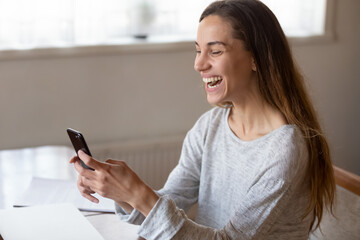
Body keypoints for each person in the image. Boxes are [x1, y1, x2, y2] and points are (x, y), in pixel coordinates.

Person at [70, 0, 335, 239]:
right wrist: (119, 191)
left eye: (215, 51)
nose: (199, 64)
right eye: (198, 50)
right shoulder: (211, 126)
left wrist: (139, 194)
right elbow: (171, 202)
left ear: (256, 58)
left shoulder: (283, 149)